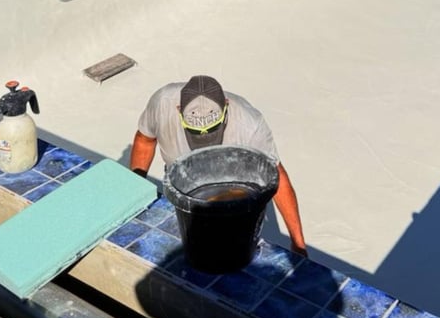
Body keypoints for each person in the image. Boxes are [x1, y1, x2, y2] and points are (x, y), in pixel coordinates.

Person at [129, 75, 307, 256]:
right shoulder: (162, 104)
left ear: (226, 107)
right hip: (183, 190)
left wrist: (298, 245)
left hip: (233, 196)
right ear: (178, 110)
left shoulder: (250, 124)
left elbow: (277, 176)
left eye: (213, 132)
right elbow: (145, 140)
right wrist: (132, 197)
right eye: (197, 135)